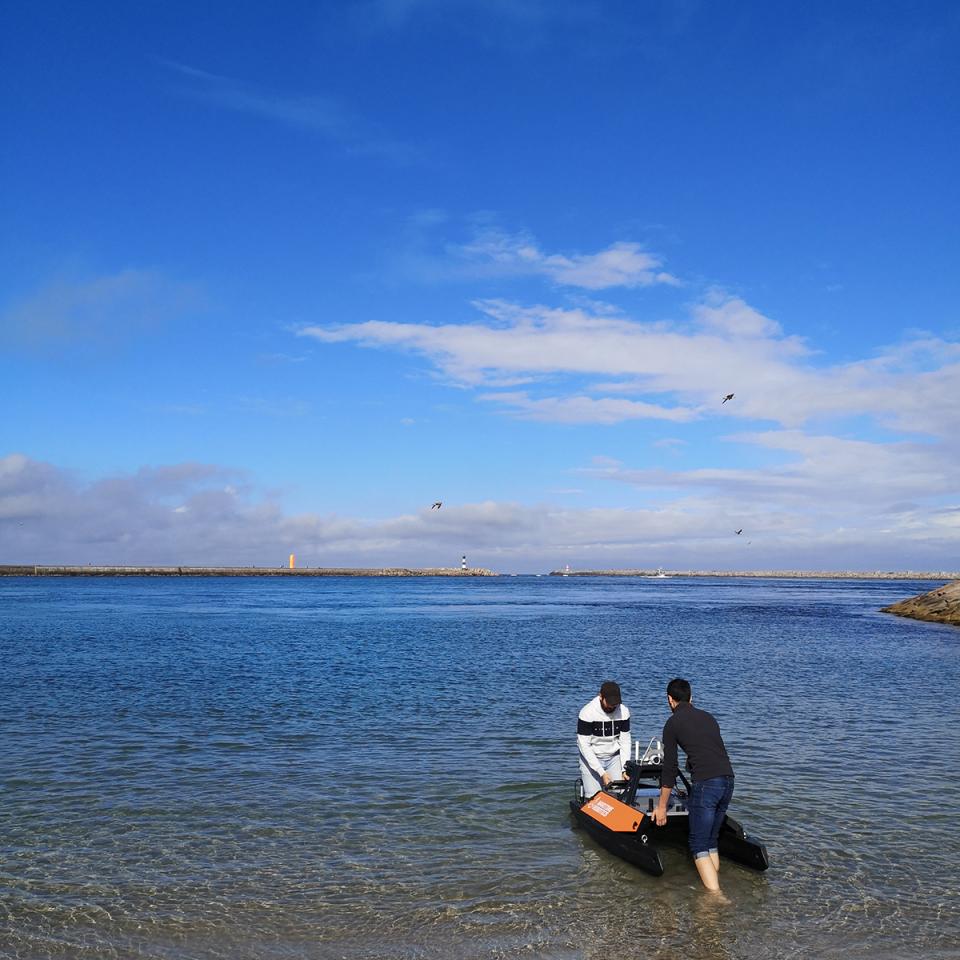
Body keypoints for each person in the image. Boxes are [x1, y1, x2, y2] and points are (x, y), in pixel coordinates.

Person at [652, 678, 734, 893]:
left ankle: (715, 898)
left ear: (670, 700)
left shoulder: (672, 723)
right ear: (691, 696)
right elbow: (709, 751)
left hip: (707, 785)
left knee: (698, 844)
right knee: (710, 840)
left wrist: (661, 808)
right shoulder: (708, 717)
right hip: (728, 780)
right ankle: (717, 885)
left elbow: (669, 768)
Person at [577, 680, 631, 797]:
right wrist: (602, 772)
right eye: (610, 703)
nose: (612, 706)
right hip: (591, 757)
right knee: (594, 798)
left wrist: (625, 768)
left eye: (615, 703)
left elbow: (625, 742)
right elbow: (584, 746)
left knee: (619, 796)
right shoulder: (587, 713)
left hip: (614, 758)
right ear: (600, 696)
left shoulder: (624, 712)